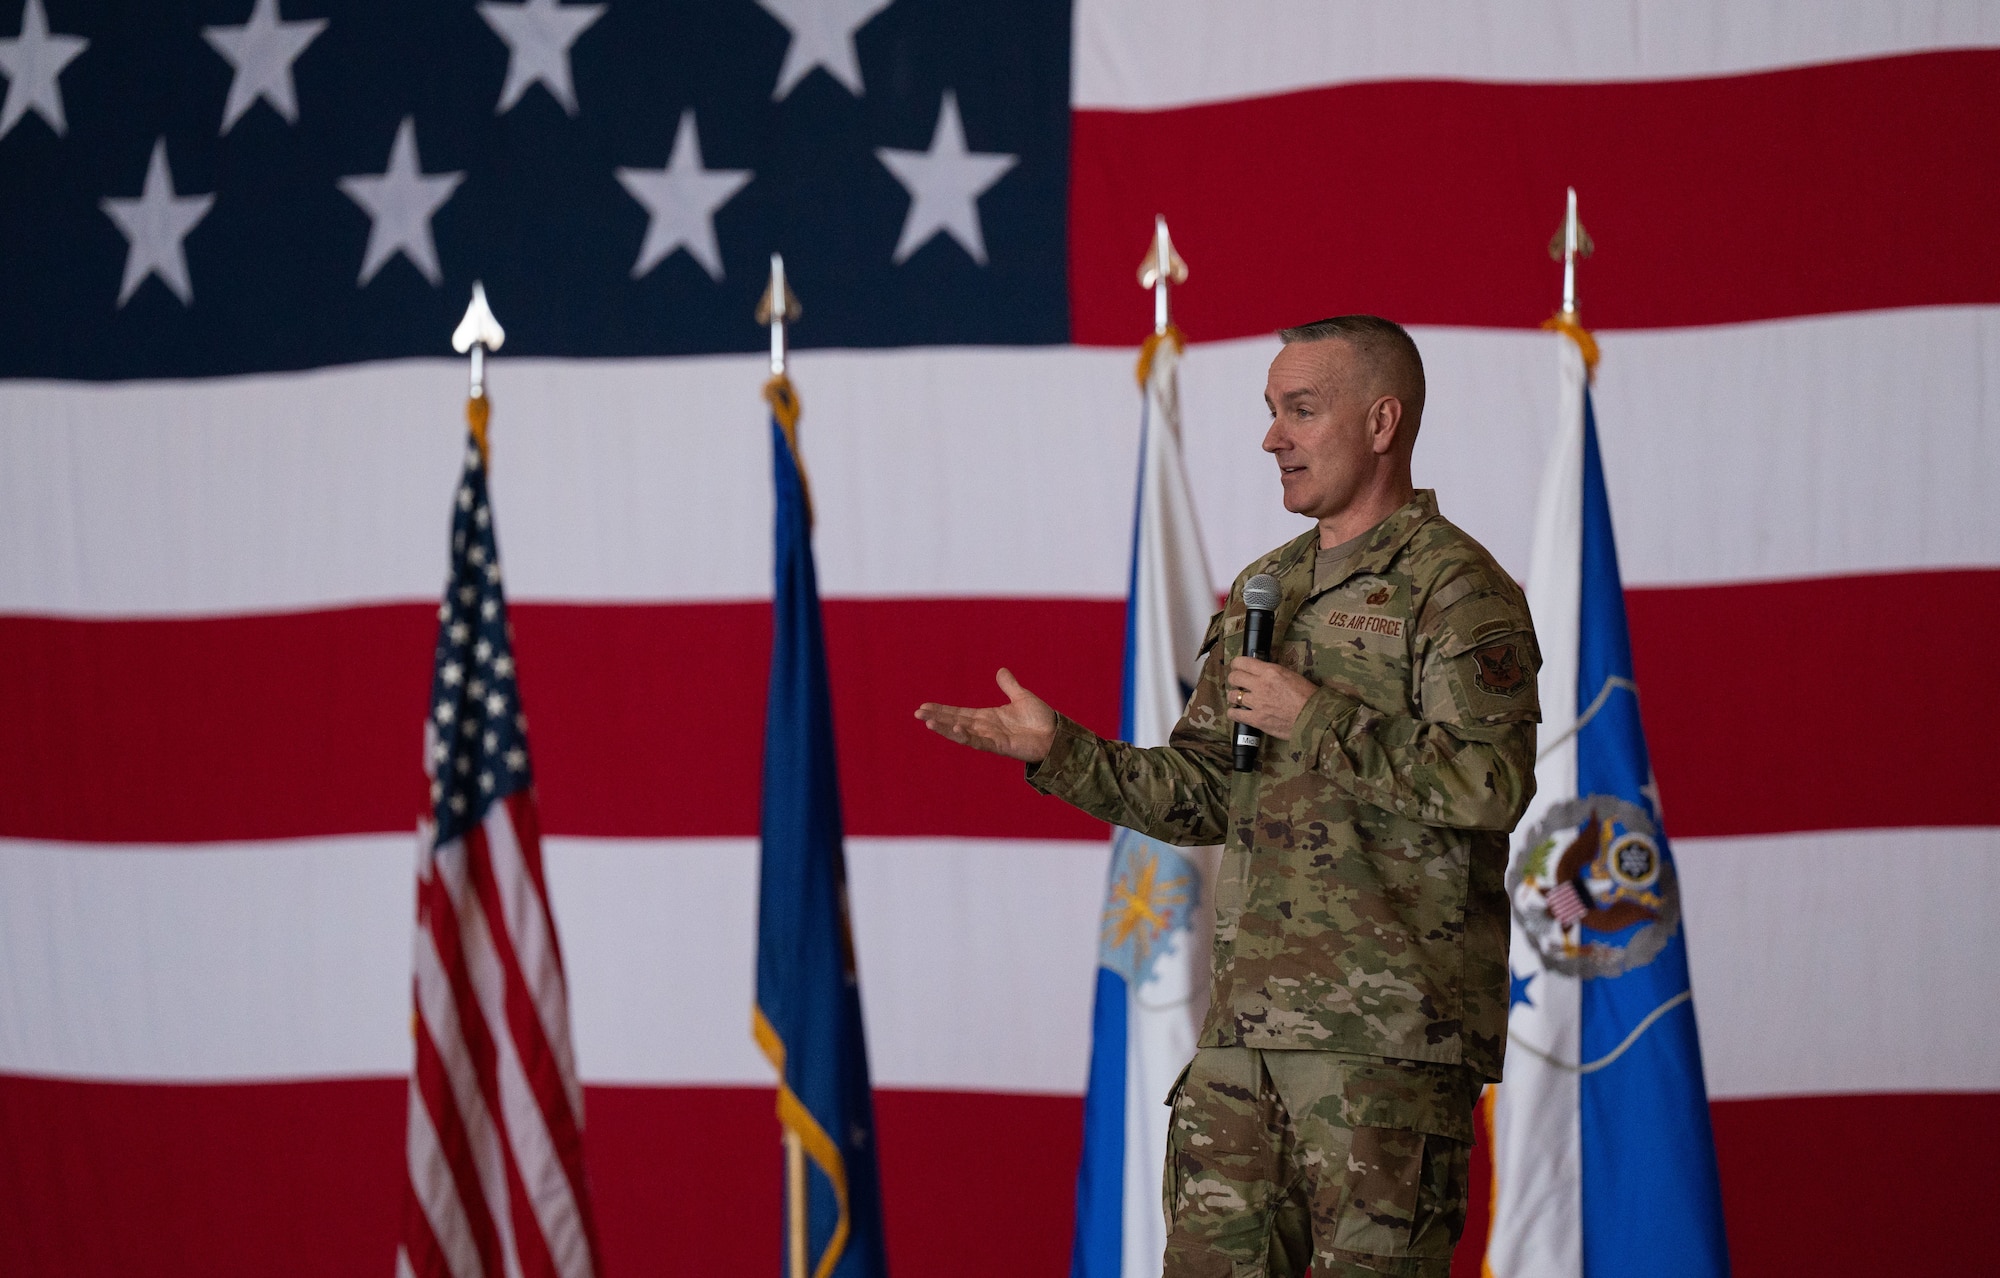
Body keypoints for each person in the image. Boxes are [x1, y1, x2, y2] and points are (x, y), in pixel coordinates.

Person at [915, 316, 1541, 1278]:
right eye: (1269, 412)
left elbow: (1491, 785)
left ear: (1382, 422)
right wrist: (1063, 751)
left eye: (1301, 410)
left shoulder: (1456, 592)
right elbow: (1206, 794)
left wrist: (1316, 716)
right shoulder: (1266, 589)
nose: (1272, 438)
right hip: (1242, 1044)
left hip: (1385, 1056)